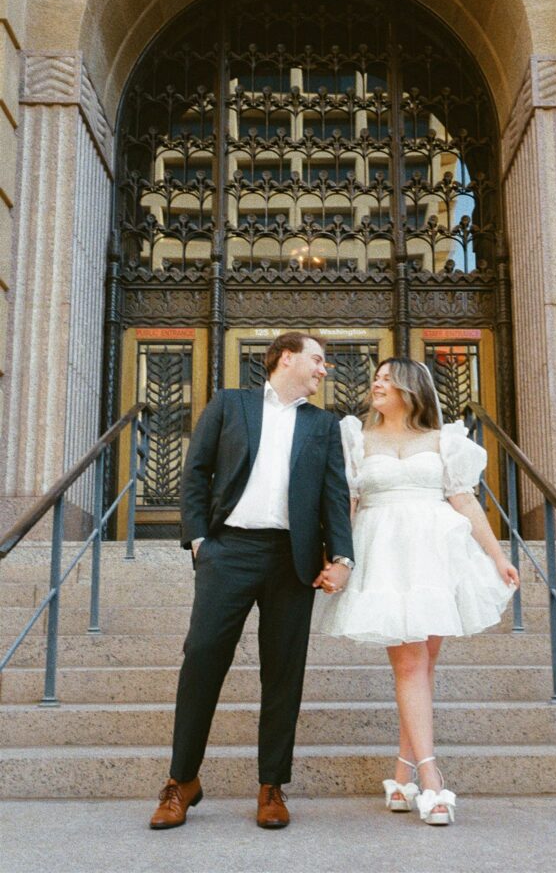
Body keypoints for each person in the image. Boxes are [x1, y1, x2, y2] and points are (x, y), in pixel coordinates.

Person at [149, 332, 354, 831]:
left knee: (283, 671)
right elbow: (195, 473)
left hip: (293, 559)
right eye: (318, 360)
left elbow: (334, 492)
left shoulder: (323, 425)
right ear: (287, 358)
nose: (324, 370)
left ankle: (271, 785)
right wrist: (199, 541)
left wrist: (343, 556)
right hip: (230, 551)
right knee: (202, 658)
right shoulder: (230, 403)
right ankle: (182, 781)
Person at [316, 357, 519, 826]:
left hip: (437, 553)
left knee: (425, 664)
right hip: (385, 555)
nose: (377, 384)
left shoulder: (443, 440)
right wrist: (337, 560)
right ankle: (431, 779)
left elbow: (464, 498)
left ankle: (402, 774)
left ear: (412, 388)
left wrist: (496, 554)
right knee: (409, 663)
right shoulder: (356, 438)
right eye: (377, 378)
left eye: (387, 378)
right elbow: (347, 503)